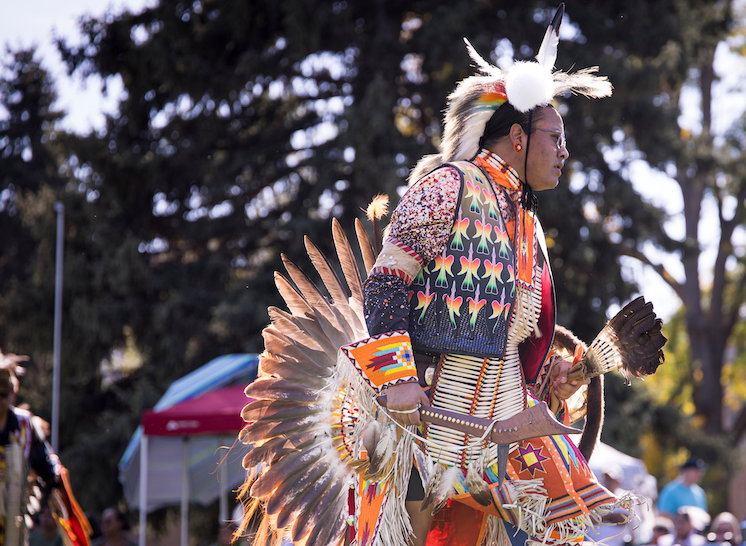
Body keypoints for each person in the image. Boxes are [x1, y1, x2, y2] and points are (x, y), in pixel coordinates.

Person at [234, 7, 668, 546]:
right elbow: (389, 283)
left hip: (504, 432)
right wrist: (398, 379)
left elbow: (510, 341)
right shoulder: (448, 187)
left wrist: (561, 377)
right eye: (554, 138)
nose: (564, 151)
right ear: (516, 138)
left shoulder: (526, 223)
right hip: (433, 426)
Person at [0, 340, 63, 546]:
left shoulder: (27, 426)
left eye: (3, 394)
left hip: (14, 525)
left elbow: (47, 465)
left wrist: (57, 481)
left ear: (13, 393)